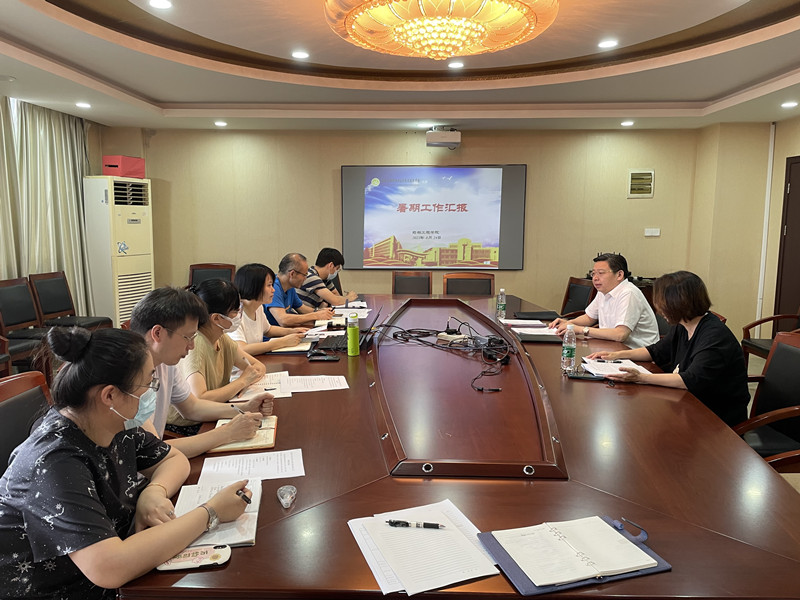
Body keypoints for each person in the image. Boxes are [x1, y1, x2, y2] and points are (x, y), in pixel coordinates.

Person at [0, 326, 250, 599]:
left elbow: (173, 458)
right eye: (148, 383)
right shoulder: (54, 462)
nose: (151, 393)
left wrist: (154, 492)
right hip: (64, 589)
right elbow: (109, 568)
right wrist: (211, 512)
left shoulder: (112, 423)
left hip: (119, 560)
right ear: (109, 395)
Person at [586, 270, 749, 427]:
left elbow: (690, 380)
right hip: (688, 405)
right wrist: (616, 355)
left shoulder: (714, 336)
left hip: (716, 419)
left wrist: (641, 378)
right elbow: (655, 351)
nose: (659, 311)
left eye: (663, 304)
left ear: (679, 303)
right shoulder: (683, 325)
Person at [129, 286, 273, 458]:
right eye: (188, 337)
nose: (192, 346)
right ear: (157, 333)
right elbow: (151, 451)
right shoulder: (128, 379)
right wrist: (227, 433)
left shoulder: (166, 364)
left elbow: (192, 407)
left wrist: (244, 408)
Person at [169, 279, 269, 433]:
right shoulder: (196, 344)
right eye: (235, 311)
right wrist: (242, 381)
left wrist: (244, 381)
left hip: (215, 412)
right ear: (216, 318)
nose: (239, 315)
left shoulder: (221, 337)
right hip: (190, 424)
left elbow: (257, 367)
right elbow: (200, 399)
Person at [550, 253, 659, 348]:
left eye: (601, 273)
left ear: (619, 275)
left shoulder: (629, 293)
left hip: (637, 354)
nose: (595, 278)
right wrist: (569, 323)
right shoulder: (604, 290)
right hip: (612, 348)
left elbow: (620, 334)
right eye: (593, 273)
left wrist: (581, 330)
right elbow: (589, 317)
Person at [231, 263, 309, 354]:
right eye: (269, 285)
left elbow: (268, 330)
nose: (273, 290)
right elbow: (242, 349)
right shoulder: (234, 313)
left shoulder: (258, 307)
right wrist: (282, 342)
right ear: (254, 287)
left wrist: (292, 331)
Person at [265, 253, 336, 327]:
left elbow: (302, 308)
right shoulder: (273, 288)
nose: (305, 278)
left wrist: (321, 312)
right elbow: (283, 320)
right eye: (304, 275)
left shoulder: (290, 287)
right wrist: (316, 315)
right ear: (292, 274)